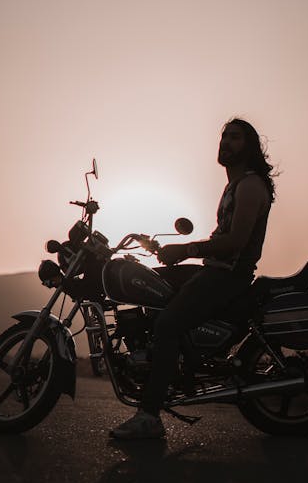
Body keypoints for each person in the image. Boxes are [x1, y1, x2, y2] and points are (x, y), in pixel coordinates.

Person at [110, 118, 276, 440]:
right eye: (224, 136)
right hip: (214, 269)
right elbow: (221, 238)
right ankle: (161, 365)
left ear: (250, 146)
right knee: (149, 286)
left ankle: (149, 416)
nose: (226, 142)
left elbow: (237, 242)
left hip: (228, 276)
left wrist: (187, 249)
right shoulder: (234, 185)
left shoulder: (251, 185)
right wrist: (167, 249)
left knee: (168, 323)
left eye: (235, 137)